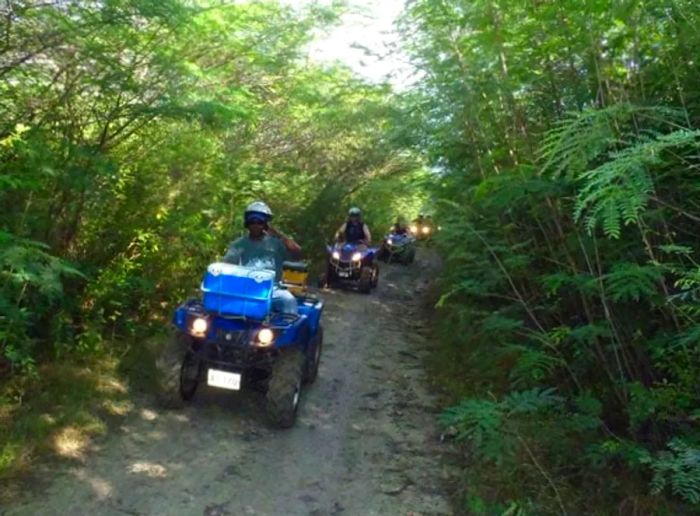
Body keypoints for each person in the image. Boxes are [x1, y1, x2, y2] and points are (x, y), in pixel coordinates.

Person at [223, 201, 302, 314]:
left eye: (259, 222)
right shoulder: (238, 245)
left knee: (289, 301)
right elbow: (226, 266)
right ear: (247, 224)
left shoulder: (276, 243)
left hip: (272, 289)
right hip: (246, 287)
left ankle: (287, 332)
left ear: (265, 224)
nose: (255, 225)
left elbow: (297, 252)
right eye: (252, 222)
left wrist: (278, 234)